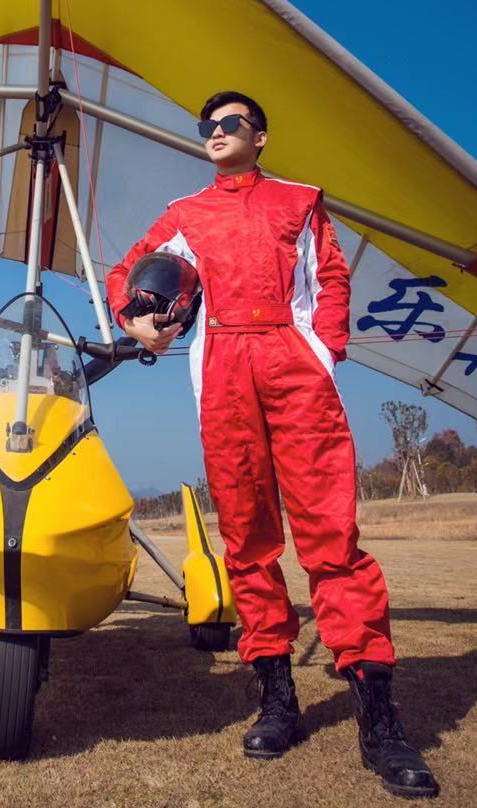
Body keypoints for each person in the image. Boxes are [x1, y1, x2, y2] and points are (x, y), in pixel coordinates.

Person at [105, 91, 439, 799]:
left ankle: (381, 725)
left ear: (261, 135)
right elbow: (127, 273)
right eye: (207, 127)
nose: (216, 134)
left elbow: (334, 277)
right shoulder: (185, 217)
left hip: (293, 365)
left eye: (230, 124)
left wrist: (323, 351)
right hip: (222, 368)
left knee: (331, 539)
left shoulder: (300, 200)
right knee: (248, 542)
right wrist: (135, 323)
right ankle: (277, 702)